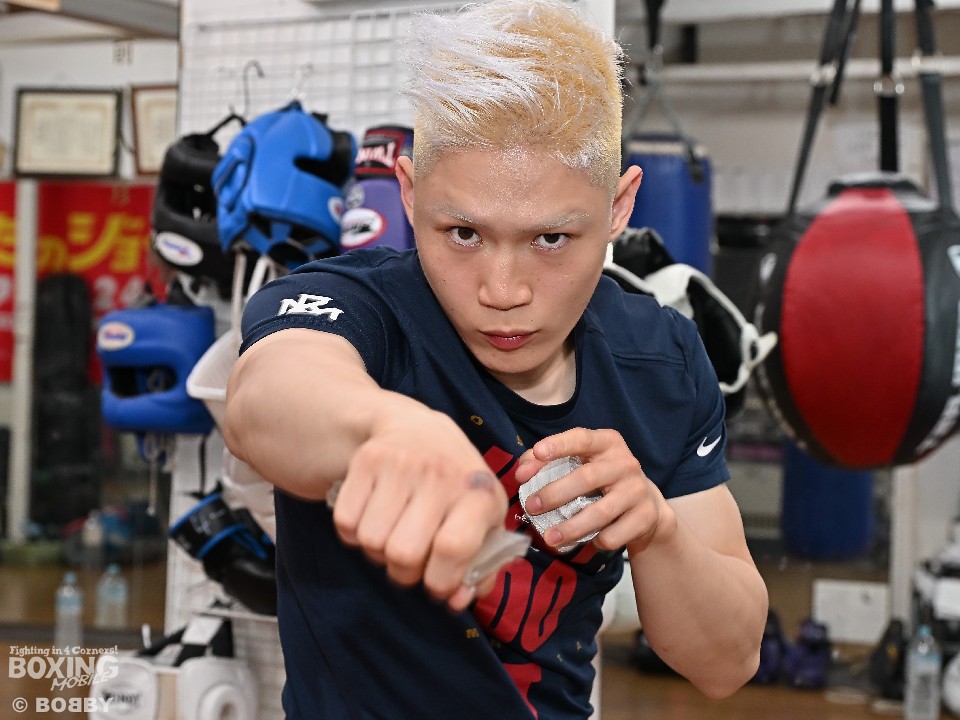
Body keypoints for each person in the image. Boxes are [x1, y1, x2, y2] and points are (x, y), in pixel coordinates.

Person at [223, 1, 768, 718]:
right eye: (463, 233)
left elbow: (729, 662)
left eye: (550, 239)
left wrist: (656, 528)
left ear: (618, 207)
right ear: (410, 194)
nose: (502, 291)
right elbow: (265, 395)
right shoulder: (362, 307)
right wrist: (383, 427)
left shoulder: (659, 361)